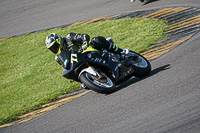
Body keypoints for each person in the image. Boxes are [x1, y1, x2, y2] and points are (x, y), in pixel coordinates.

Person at [45, 32, 129, 68]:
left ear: (58, 41)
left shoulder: (69, 37)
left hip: (89, 51)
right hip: (81, 62)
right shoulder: (58, 57)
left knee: (96, 40)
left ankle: (121, 51)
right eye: (51, 49)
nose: (54, 49)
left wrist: (84, 42)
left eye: (54, 46)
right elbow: (66, 67)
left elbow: (84, 36)